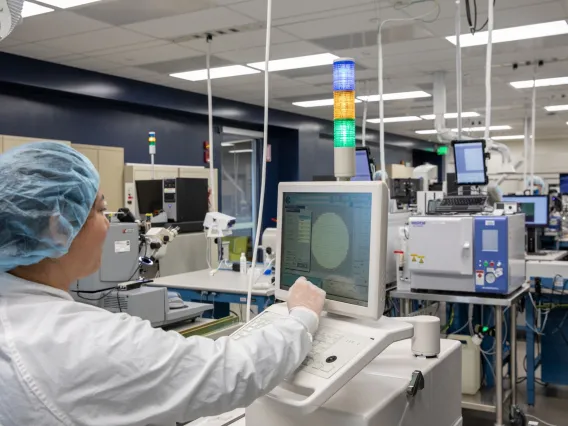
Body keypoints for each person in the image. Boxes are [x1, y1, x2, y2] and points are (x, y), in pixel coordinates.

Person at [0, 142, 326, 426]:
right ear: (57, 229)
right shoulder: (83, 342)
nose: (110, 222)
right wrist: (301, 317)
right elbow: (231, 373)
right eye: (100, 209)